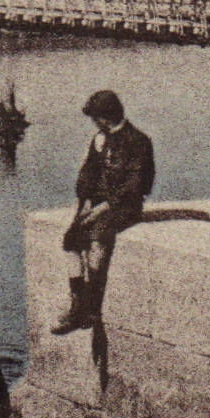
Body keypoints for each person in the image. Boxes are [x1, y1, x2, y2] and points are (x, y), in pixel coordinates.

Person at [52, 89, 154, 335]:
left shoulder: (138, 141)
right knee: (71, 241)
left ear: (106, 117)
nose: (95, 123)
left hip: (123, 207)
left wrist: (104, 207)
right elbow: (88, 174)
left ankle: (92, 308)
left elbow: (138, 184)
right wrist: (86, 201)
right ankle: (78, 305)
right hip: (97, 205)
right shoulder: (100, 140)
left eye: (96, 117)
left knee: (98, 241)